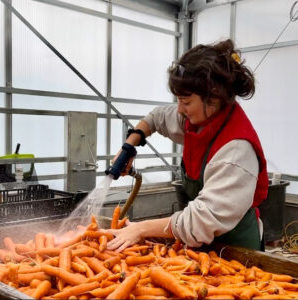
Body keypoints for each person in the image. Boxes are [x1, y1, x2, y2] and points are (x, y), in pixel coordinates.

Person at [106, 39, 269, 252]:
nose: (180, 110)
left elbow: (201, 221)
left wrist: (141, 229)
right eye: (178, 100)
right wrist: (130, 145)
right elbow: (157, 118)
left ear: (213, 97)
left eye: (186, 101)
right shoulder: (196, 119)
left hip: (238, 254)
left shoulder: (236, 150)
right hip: (203, 247)